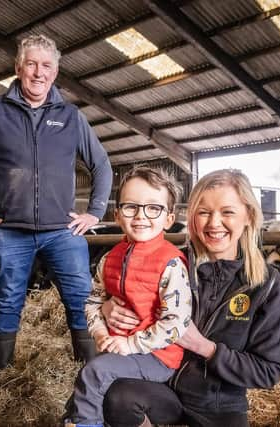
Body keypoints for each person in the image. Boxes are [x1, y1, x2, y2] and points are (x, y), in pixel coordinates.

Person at [100, 169, 280, 427]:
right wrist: (107, 306)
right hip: (163, 386)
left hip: (220, 404)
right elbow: (115, 287)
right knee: (118, 396)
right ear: (191, 219)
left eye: (227, 212)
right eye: (204, 212)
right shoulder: (170, 263)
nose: (214, 223)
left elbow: (269, 371)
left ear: (249, 216)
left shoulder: (265, 284)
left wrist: (204, 347)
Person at [0, 34, 112, 370]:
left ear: (56, 71)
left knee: (80, 299)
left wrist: (94, 212)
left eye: (46, 65)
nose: (39, 72)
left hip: (62, 231)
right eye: (32, 64)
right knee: (8, 300)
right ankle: (0, 375)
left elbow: (102, 164)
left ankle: (88, 371)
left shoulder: (70, 116)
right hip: (9, 231)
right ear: (18, 67)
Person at [63, 167, 192, 427]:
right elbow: (94, 302)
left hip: (158, 356)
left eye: (153, 208)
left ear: (169, 218)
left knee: (95, 372)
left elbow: (177, 323)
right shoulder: (109, 258)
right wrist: (100, 333)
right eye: (131, 207)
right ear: (117, 214)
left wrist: (130, 345)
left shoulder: (170, 263)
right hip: (121, 350)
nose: (141, 216)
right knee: (83, 391)